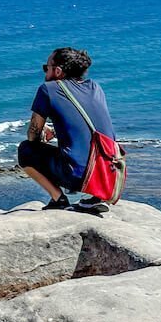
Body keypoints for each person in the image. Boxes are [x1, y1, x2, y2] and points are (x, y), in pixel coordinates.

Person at [17, 47, 116, 213]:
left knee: (26, 150)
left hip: (77, 177)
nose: (44, 71)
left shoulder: (47, 89)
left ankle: (58, 199)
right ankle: (97, 197)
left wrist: (41, 133)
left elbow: (33, 135)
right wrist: (56, 131)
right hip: (108, 174)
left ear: (57, 71)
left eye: (46, 67)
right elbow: (87, 124)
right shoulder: (95, 87)